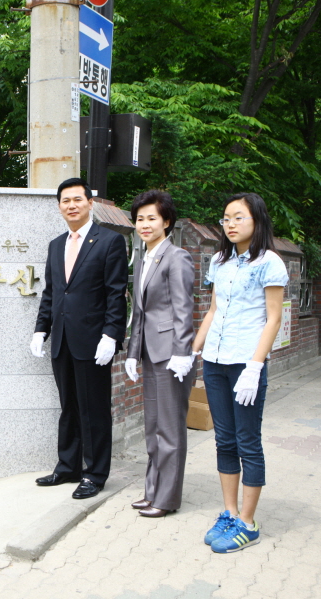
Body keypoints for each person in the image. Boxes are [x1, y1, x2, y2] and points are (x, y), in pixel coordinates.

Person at [192, 193, 288, 553]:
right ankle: (230, 513)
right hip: (215, 362)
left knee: (248, 441)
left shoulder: (270, 262)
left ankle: (248, 523)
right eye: (226, 219)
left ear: (256, 221)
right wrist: (194, 350)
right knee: (224, 440)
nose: (230, 224)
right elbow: (213, 310)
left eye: (238, 218)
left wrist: (255, 365)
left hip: (246, 364)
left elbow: (273, 317)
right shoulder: (221, 261)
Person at [31, 177, 128, 499]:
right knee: (68, 406)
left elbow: (116, 294)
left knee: (94, 409)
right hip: (61, 340)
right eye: (65, 201)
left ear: (90, 203)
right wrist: (40, 329)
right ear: (59, 207)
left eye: (77, 199)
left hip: (93, 340)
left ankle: (95, 473)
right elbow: (53, 292)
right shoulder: (56, 244)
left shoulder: (109, 241)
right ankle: (68, 466)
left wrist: (111, 335)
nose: (71, 205)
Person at [124, 190, 195, 518]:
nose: (145, 224)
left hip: (171, 356)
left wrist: (183, 352)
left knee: (169, 428)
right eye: (140, 219)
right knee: (152, 427)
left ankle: (166, 499)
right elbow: (140, 313)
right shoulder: (143, 257)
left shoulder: (176, 257)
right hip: (151, 354)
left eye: (152, 218)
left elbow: (183, 309)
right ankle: (152, 490)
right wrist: (131, 353)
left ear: (166, 222)